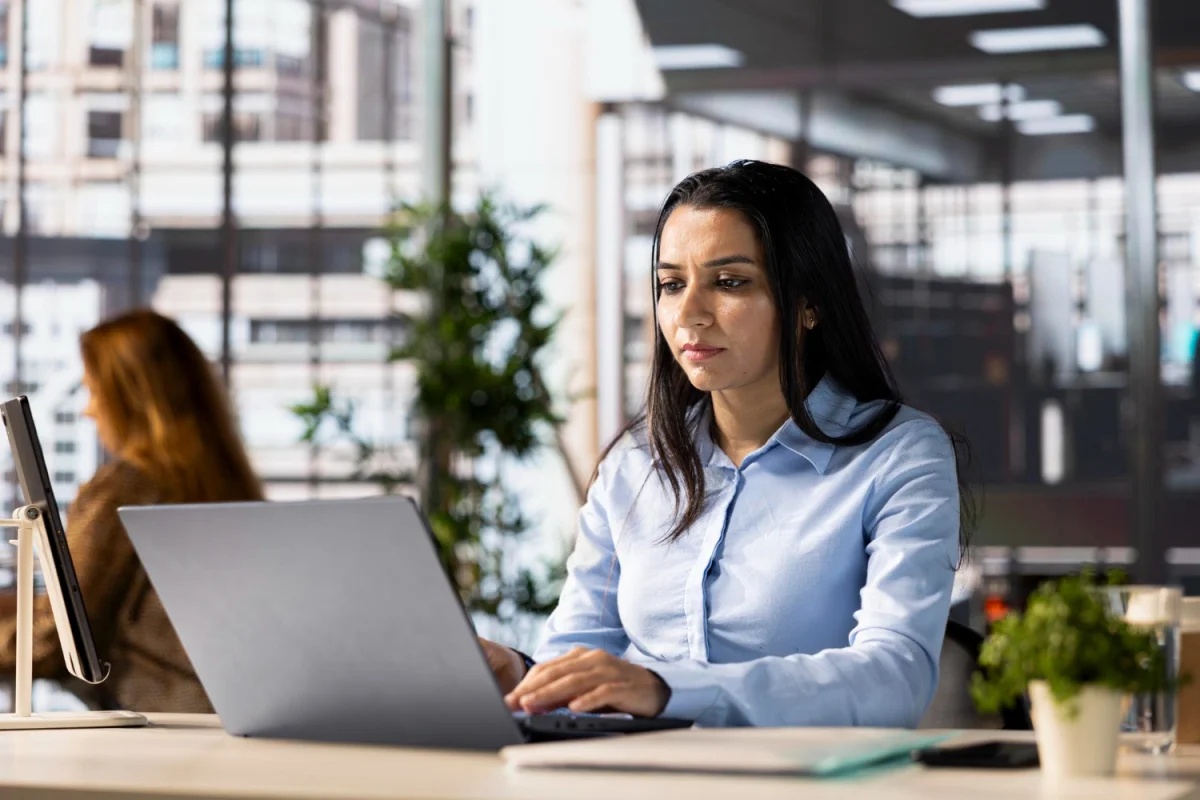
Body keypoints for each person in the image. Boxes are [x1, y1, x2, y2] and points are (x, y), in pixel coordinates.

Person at [481, 160, 972, 728]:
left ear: (809, 302)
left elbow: (893, 678)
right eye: (671, 284)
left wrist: (668, 689)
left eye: (729, 282)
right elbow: (579, 652)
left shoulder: (899, 455)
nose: (689, 314)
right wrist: (521, 675)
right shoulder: (636, 464)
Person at [0, 309, 264, 712]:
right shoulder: (229, 487)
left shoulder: (128, 486)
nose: (89, 411)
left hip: (152, 723)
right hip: (223, 716)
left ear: (131, 397)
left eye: (93, 391)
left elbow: (58, 641)